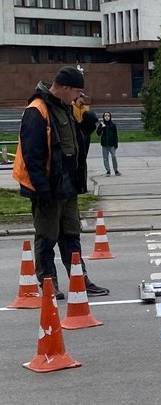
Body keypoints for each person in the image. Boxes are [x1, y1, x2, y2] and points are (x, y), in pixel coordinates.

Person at [12, 66, 110, 299]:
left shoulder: (66, 107)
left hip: (68, 185)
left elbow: (83, 135)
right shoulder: (37, 110)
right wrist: (42, 190)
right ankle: (49, 284)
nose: (79, 96)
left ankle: (79, 279)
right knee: (47, 237)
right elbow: (31, 155)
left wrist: (86, 112)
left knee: (71, 234)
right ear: (64, 88)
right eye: (77, 91)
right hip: (48, 187)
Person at [96, 111, 121, 176]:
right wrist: (102, 127)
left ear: (110, 117)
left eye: (108, 116)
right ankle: (108, 171)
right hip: (104, 145)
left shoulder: (113, 125)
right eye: (105, 116)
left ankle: (116, 171)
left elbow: (115, 135)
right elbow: (98, 133)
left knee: (114, 156)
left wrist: (116, 145)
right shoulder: (101, 124)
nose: (107, 117)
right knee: (105, 158)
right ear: (103, 117)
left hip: (112, 145)